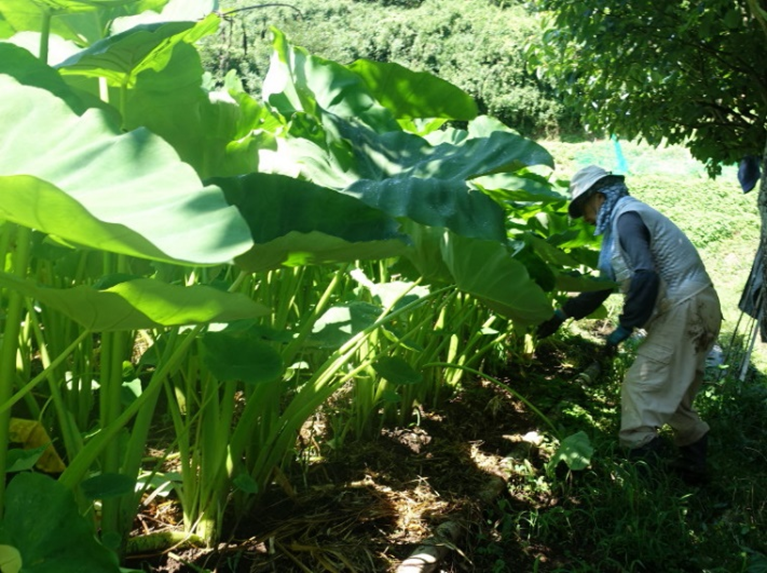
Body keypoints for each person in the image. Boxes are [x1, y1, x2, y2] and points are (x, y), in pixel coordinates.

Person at [536, 165, 722, 484]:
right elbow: (603, 286)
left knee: (641, 386)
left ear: (599, 197)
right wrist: (561, 314)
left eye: (583, 208)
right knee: (672, 392)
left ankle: (642, 479)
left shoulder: (627, 218)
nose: (584, 218)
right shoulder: (621, 225)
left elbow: (645, 276)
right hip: (696, 307)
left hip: (686, 309)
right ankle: (693, 467)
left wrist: (625, 327)